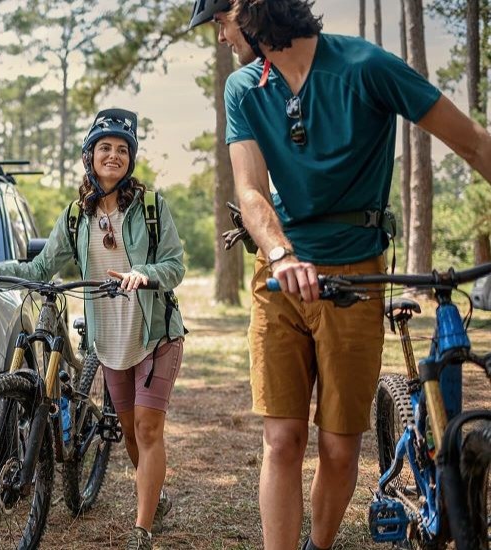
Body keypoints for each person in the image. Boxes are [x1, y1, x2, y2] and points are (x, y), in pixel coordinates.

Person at [188, 1, 491, 549]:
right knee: (281, 440)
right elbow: (251, 191)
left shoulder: (365, 66)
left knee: (339, 446)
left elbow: (471, 142)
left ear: (249, 10)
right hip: (279, 277)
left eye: (221, 22)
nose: (220, 37)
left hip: (356, 276)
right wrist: (281, 254)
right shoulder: (244, 88)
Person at [0, 108, 187, 550]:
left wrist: (144, 272)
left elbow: (175, 265)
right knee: (130, 431)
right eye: (105, 148)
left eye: (123, 150)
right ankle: (154, 494)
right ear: (90, 155)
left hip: (154, 334)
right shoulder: (75, 216)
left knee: (148, 429)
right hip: (110, 340)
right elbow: (43, 265)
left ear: (131, 160)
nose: (114, 156)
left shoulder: (152, 208)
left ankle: (142, 530)